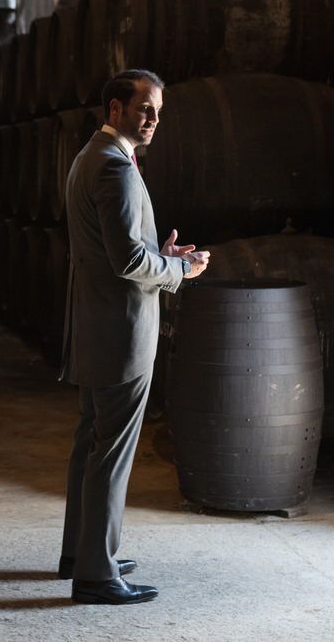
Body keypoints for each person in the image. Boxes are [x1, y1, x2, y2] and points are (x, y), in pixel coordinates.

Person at [57, 68, 208, 605]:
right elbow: (126, 261)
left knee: (92, 441)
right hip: (121, 329)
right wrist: (178, 271)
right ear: (115, 108)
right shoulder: (115, 168)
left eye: (159, 112)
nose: (153, 120)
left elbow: (113, 246)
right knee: (111, 451)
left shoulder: (89, 157)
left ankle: (80, 553)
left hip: (97, 324)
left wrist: (163, 252)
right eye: (145, 108)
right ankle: (96, 576)